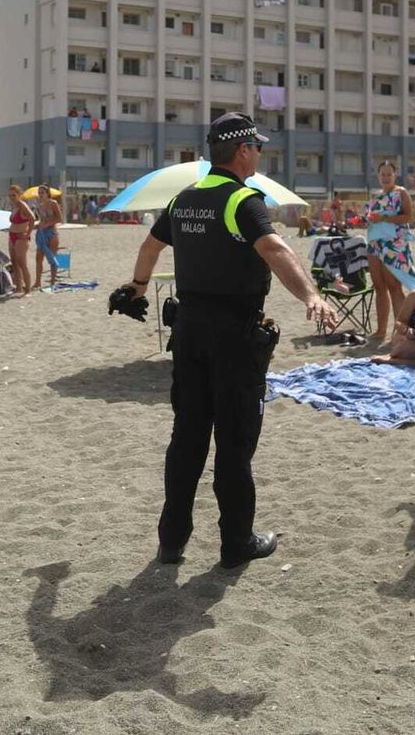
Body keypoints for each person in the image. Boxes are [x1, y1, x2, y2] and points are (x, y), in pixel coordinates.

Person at [116, 112, 332, 569]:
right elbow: (276, 250)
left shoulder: (182, 200)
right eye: (258, 146)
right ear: (243, 151)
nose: (260, 153)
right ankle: (236, 543)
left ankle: (171, 541)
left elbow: (151, 248)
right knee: (234, 444)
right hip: (233, 337)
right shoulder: (242, 200)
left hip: (189, 334)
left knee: (187, 438)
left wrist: (136, 287)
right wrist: (311, 295)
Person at [366, 161, 415, 343]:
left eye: (389, 174)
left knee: (394, 286)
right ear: (378, 175)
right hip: (374, 242)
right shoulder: (376, 195)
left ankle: (400, 331)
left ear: (395, 175)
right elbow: (372, 218)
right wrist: (364, 220)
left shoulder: (401, 192)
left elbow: (408, 217)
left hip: (394, 243)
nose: (386, 177)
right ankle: (381, 330)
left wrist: (385, 218)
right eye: (383, 174)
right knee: (379, 286)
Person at [6, 184, 37, 295]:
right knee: (14, 263)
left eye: (14, 195)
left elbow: (32, 218)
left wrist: (28, 233)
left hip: (21, 236)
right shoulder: (13, 206)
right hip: (12, 236)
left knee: (22, 263)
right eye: (10, 196)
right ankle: (19, 287)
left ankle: (27, 289)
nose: (11, 198)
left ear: (19, 195)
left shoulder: (22, 205)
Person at [33, 185, 63, 286]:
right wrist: (37, 225)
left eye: (42, 192)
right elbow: (42, 220)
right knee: (38, 257)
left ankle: (53, 281)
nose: (40, 194)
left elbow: (59, 218)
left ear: (47, 194)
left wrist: (47, 224)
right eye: (39, 192)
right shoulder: (39, 205)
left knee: (52, 257)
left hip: (52, 232)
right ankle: (37, 281)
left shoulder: (53, 203)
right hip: (42, 233)